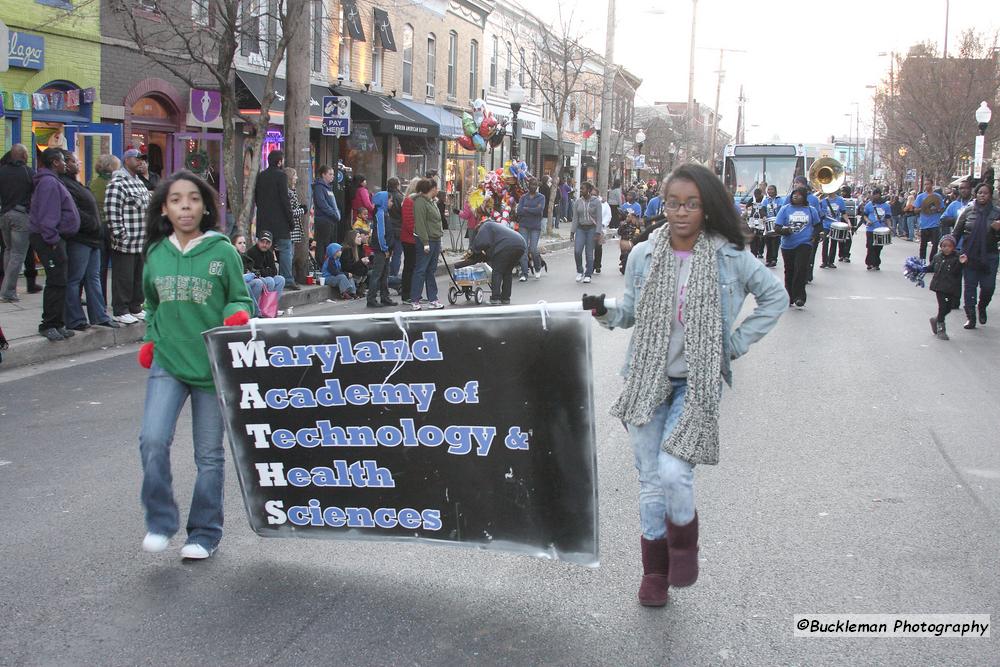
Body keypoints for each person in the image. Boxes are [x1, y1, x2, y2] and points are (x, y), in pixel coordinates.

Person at [587, 163, 786, 607]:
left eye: (692, 204)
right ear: (664, 203)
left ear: (707, 207)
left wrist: (731, 345)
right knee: (651, 482)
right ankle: (654, 572)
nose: (681, 212)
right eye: (674, 203)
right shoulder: (644, 253)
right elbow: (631, 313)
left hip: (695, 383)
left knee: (676, 472)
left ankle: (683, 547)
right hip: (646, 378)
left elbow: (776, 297)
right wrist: (603, 311)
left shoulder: (729, 256)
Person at [135, 170, 254, 560]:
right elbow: (152, 304)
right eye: (176, 200)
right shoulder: (155, 253)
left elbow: (241, 297)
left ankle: (203, 534)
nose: (185, 206)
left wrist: (236, 314)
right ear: (165, 209)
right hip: (168, 362)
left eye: (194, 199)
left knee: (209, 456)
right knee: (152, 440)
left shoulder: (222, 251)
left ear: (205, 207)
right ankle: (160, 521)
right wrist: (152, 338)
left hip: (211, 368)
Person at [60, 151, 119, 331]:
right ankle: (75, 319)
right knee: (75, 279)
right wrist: (92, 224)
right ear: (64, 163)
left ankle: (99, 315)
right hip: (81, 237)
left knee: (93, 277)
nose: (78, 162)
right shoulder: (65, 184)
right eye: (74, 160)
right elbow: (74, 212)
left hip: (93, 237)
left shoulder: (77, 183)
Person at [27, 148, 81, 341]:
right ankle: (48, 324)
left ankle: (58, 323)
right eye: (62, 161)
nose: (66, 164)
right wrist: (52, 240)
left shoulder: (52, 181)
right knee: (55, 281)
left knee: (61, 281)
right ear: (54, 163)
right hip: (48, 240)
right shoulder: (49, 182)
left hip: (54, 239)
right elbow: (48, 215)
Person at [105, 148, 152, 324]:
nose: (141, 162)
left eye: (142, 159)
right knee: (123, 277)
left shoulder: (139, 181)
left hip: (141, 239)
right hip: (126, 241)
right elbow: (112, 211)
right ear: (126, 160)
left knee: (138, 276)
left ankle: (135, 306)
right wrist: (120, 235)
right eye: (137, 158)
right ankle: (121, 309)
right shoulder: (118, 182)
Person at [953, 182, 1000, 329]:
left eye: (985, 193)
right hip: (970, 255)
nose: (982, 195)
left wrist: (997, 230)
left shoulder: (997, 213)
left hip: (990, 255)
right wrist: (949, 247)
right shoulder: (968, 211)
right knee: (970, 287)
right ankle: (971, 317)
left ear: (990, 195)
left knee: (988, 287)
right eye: (980, 192)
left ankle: (982, 306)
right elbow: (956, 232)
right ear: (976, 194)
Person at [254, 150, 298, 289]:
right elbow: (285, 200)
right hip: (280, 221)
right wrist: (290, 221)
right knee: (285, 249)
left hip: (264, 220)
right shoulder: (281, 176)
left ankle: (266, 277)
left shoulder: (261, 175)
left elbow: (257, 197)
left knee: (266, 249)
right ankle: (287, 279)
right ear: (279, 162)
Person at [775, 185, 821, 308]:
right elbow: (777, 227)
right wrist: (786, 231)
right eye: (794, 194)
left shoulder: (811, 210)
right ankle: (789, 296)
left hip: (804, 243)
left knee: (800, 269)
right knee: (789, 270)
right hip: (788, 245)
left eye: (799, 194)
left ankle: (799, 297)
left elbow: (818, 225)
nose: (795, 196)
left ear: (804, 196)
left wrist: (814, 235)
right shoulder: (785, 209)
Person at [0, 144, 36, 302]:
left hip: (4, 214)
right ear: (24, 156)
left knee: (8, 250)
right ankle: (8, 291)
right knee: (17, 254)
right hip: (21, 215)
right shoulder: (29, 173)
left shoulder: (2, 171)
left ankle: (6, 287)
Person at [469, 219, 526, 305]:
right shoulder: (496, 226)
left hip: (507, 246)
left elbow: (480, 242)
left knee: (497, 271)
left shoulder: (485, 226)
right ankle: (506, 298)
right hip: (521, 244)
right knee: (507, 271)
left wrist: (473, 250)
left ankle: (495, 298)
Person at [89, 154, 120, 305]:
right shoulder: (115, 184)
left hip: (98, 227)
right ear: (111, 167)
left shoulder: (93, 183)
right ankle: (118, 302)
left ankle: (100, 302)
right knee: (119, 267)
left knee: (100, 268)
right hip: (112, 227)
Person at [410, 178, 445, 310]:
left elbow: (437, 222)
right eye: (436, 188)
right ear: (431, 189)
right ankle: (415, 300)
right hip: (427, 240)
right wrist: (425, 242)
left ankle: (433, 299)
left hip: (435, 239)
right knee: (421, 270)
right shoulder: (420, 203)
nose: (437, 190)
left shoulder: (432, 202)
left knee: (431, 270)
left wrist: (439, 240)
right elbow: (420, 224)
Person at [922, 234, 964, 340]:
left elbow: (956, 272)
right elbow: (932, 268)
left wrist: (961, 263)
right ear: (941, 246)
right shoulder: (937, 257)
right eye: (944, 246)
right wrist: (921, 269)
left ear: (953, 247)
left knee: (949, 308)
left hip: (952, 287)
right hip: (939, 287)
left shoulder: (957, 258)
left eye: (949, 246)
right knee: (942, 307)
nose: (946, 248)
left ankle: (935, 320)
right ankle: (941, 328)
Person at [234, 233, 284, 313]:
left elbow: (274, 271)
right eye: (262, 242)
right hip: (247, 279)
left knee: (280, 279)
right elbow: (256, 271)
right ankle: (259, 309)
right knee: (265, 281)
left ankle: (271, 308)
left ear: (270, 244)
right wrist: (265, 271)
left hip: (256, 277)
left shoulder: (269, 254)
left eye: (267, 243)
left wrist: (264, 271)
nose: (264, 245)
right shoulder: (251, 252)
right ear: (258, 241)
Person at [366, 190, 397, 308]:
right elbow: (380, 233)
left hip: (385, 248)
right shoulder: (380, 213)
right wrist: (385, 248)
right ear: (384, 201)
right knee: (377, 274)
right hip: (381, 249)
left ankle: (385, 297)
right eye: (390, 200)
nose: (392, 203)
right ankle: (371, 298)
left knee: (385, 274)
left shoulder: (384, 213)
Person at [571, 181, 603, 283]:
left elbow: (599, 218)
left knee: (589, 253)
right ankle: (580, 271)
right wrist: (572, 232)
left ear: (589, 190)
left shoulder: (596, 202)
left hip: (592, 229)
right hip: (581, 229)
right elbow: (575, 218)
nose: (581, 190)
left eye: (583, 188)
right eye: (580, 188)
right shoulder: (578, 202)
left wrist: (598, 232)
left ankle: (588, 274)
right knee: (577, 251)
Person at [312, 165, 341, 270]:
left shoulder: (328, 188)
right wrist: (333, 213)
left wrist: (337, 213)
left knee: (328, 244)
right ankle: (320, 266)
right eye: (330, 174)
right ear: (323, 174)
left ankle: (328, 265)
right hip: (323, 220)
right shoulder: (319, 187)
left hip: (331, 220)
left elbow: (333, 204)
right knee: (322, 244)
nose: (332, 176)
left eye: (333, 174)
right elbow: (322, 204)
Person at [516, 177, 545, 281]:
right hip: (523, 226)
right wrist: (532, 209)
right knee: (523, 249)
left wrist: (526, 209)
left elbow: (539, 210)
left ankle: (537, 267)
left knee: (533, 249)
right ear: (528, 185)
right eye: (531, 184)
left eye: (535, 185)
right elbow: (519, 211)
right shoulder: (523, 197)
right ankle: (524, 273)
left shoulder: (541, 197)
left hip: (535, 227)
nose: (533, 186)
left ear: (537, 186)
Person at [863, 188, 893, 271]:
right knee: (870, 246)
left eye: (876, 194)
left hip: (881, 229)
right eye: (873, 194)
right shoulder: (869, 205)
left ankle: (876, 263)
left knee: (878, 247)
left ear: (880, 195)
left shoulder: (886, 206)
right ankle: (869, 263)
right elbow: (864, 215)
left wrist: (889, 226)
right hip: (870, 229)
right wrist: (868, 221)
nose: (874, 196)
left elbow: (887, 218)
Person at [818, 190, 848, 269]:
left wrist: (849, 222)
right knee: (825, 243)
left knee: (834, 243)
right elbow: (820, 214)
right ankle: (824, 261)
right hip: (826, 225)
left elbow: (843, 212)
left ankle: (831, 262)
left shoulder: (840, 200)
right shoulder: (823, 201)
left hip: (835, 225)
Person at [914, 182, 944, 262]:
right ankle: (922, 262)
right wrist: (924, 208)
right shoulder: (920, 196)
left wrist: (936, 209)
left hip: (935, 224)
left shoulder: (938, 196)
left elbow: (941, 209)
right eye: (925, 184)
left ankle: (932, 262)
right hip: (924, 224)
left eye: (928, 184)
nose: (927, 186)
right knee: (923, 244)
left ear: (932, 185)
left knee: (935, 244)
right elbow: (915, 210)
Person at [400, 180, 419, 303]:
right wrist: (418, 232)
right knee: (409, 267)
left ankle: (414, 292)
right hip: (409, 239)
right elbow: (408, 221)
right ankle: (406, 294)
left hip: (414, 238)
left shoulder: (416, 201)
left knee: (414, 267)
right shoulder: (408, 201)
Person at [285, 167, 306, 274]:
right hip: (290, 227)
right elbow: (290, 212)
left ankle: (289, 275)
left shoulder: (292, 190)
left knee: (291, 253)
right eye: (294, 175)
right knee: (289, 254)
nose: (296, 178)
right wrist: (302, 210)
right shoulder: (288, 192)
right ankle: (288, 276)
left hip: (293, 227)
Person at [386, 177, 405, 278]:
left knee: (387, 253)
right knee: (397, 254)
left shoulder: (386, 195)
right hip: (398, 228)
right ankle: (393, 276)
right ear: (397, 185)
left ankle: (386, 275)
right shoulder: (399, 197)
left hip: (388, 227)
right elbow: (403, 213)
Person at [349, 175, 375, 242]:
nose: (366, 182)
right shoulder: (363, 190)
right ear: (361, 182)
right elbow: (367, 204)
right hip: (365, 217)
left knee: (357, 238)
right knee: (366, 238)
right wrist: (373, 208)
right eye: (364, 180)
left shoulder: (354, 190)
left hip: (356, 217)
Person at [762, 184, 782, 268]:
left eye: (771, 189)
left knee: (775, 242)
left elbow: (781, 210)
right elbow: (762, 209)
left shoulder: (779, 200)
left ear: (775, 191)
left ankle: (774, 259)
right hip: (768, 223)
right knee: (768, 242)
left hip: (776, 223)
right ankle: (768, 260)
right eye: (768, 189)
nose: (769, 191)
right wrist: (764, 216)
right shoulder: (766, 200)